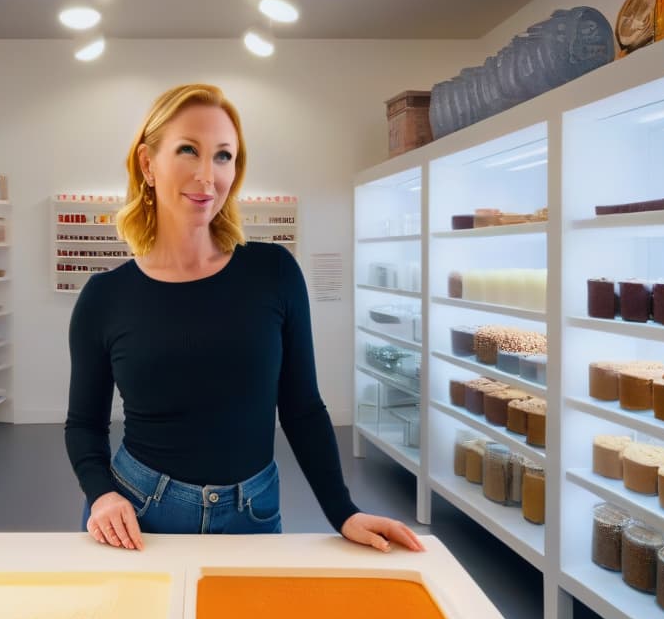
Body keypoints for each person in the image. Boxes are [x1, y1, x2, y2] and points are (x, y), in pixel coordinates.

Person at [65, 83, 423, 554]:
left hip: (251, 511)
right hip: (138, 514)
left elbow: (302, 407)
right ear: (148, 164)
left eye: (223, 156)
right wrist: (102, 494)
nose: (207, 175)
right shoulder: (104, 297)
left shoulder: (274, 272)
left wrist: (344, 511)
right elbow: (83, 424)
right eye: (188, 150)